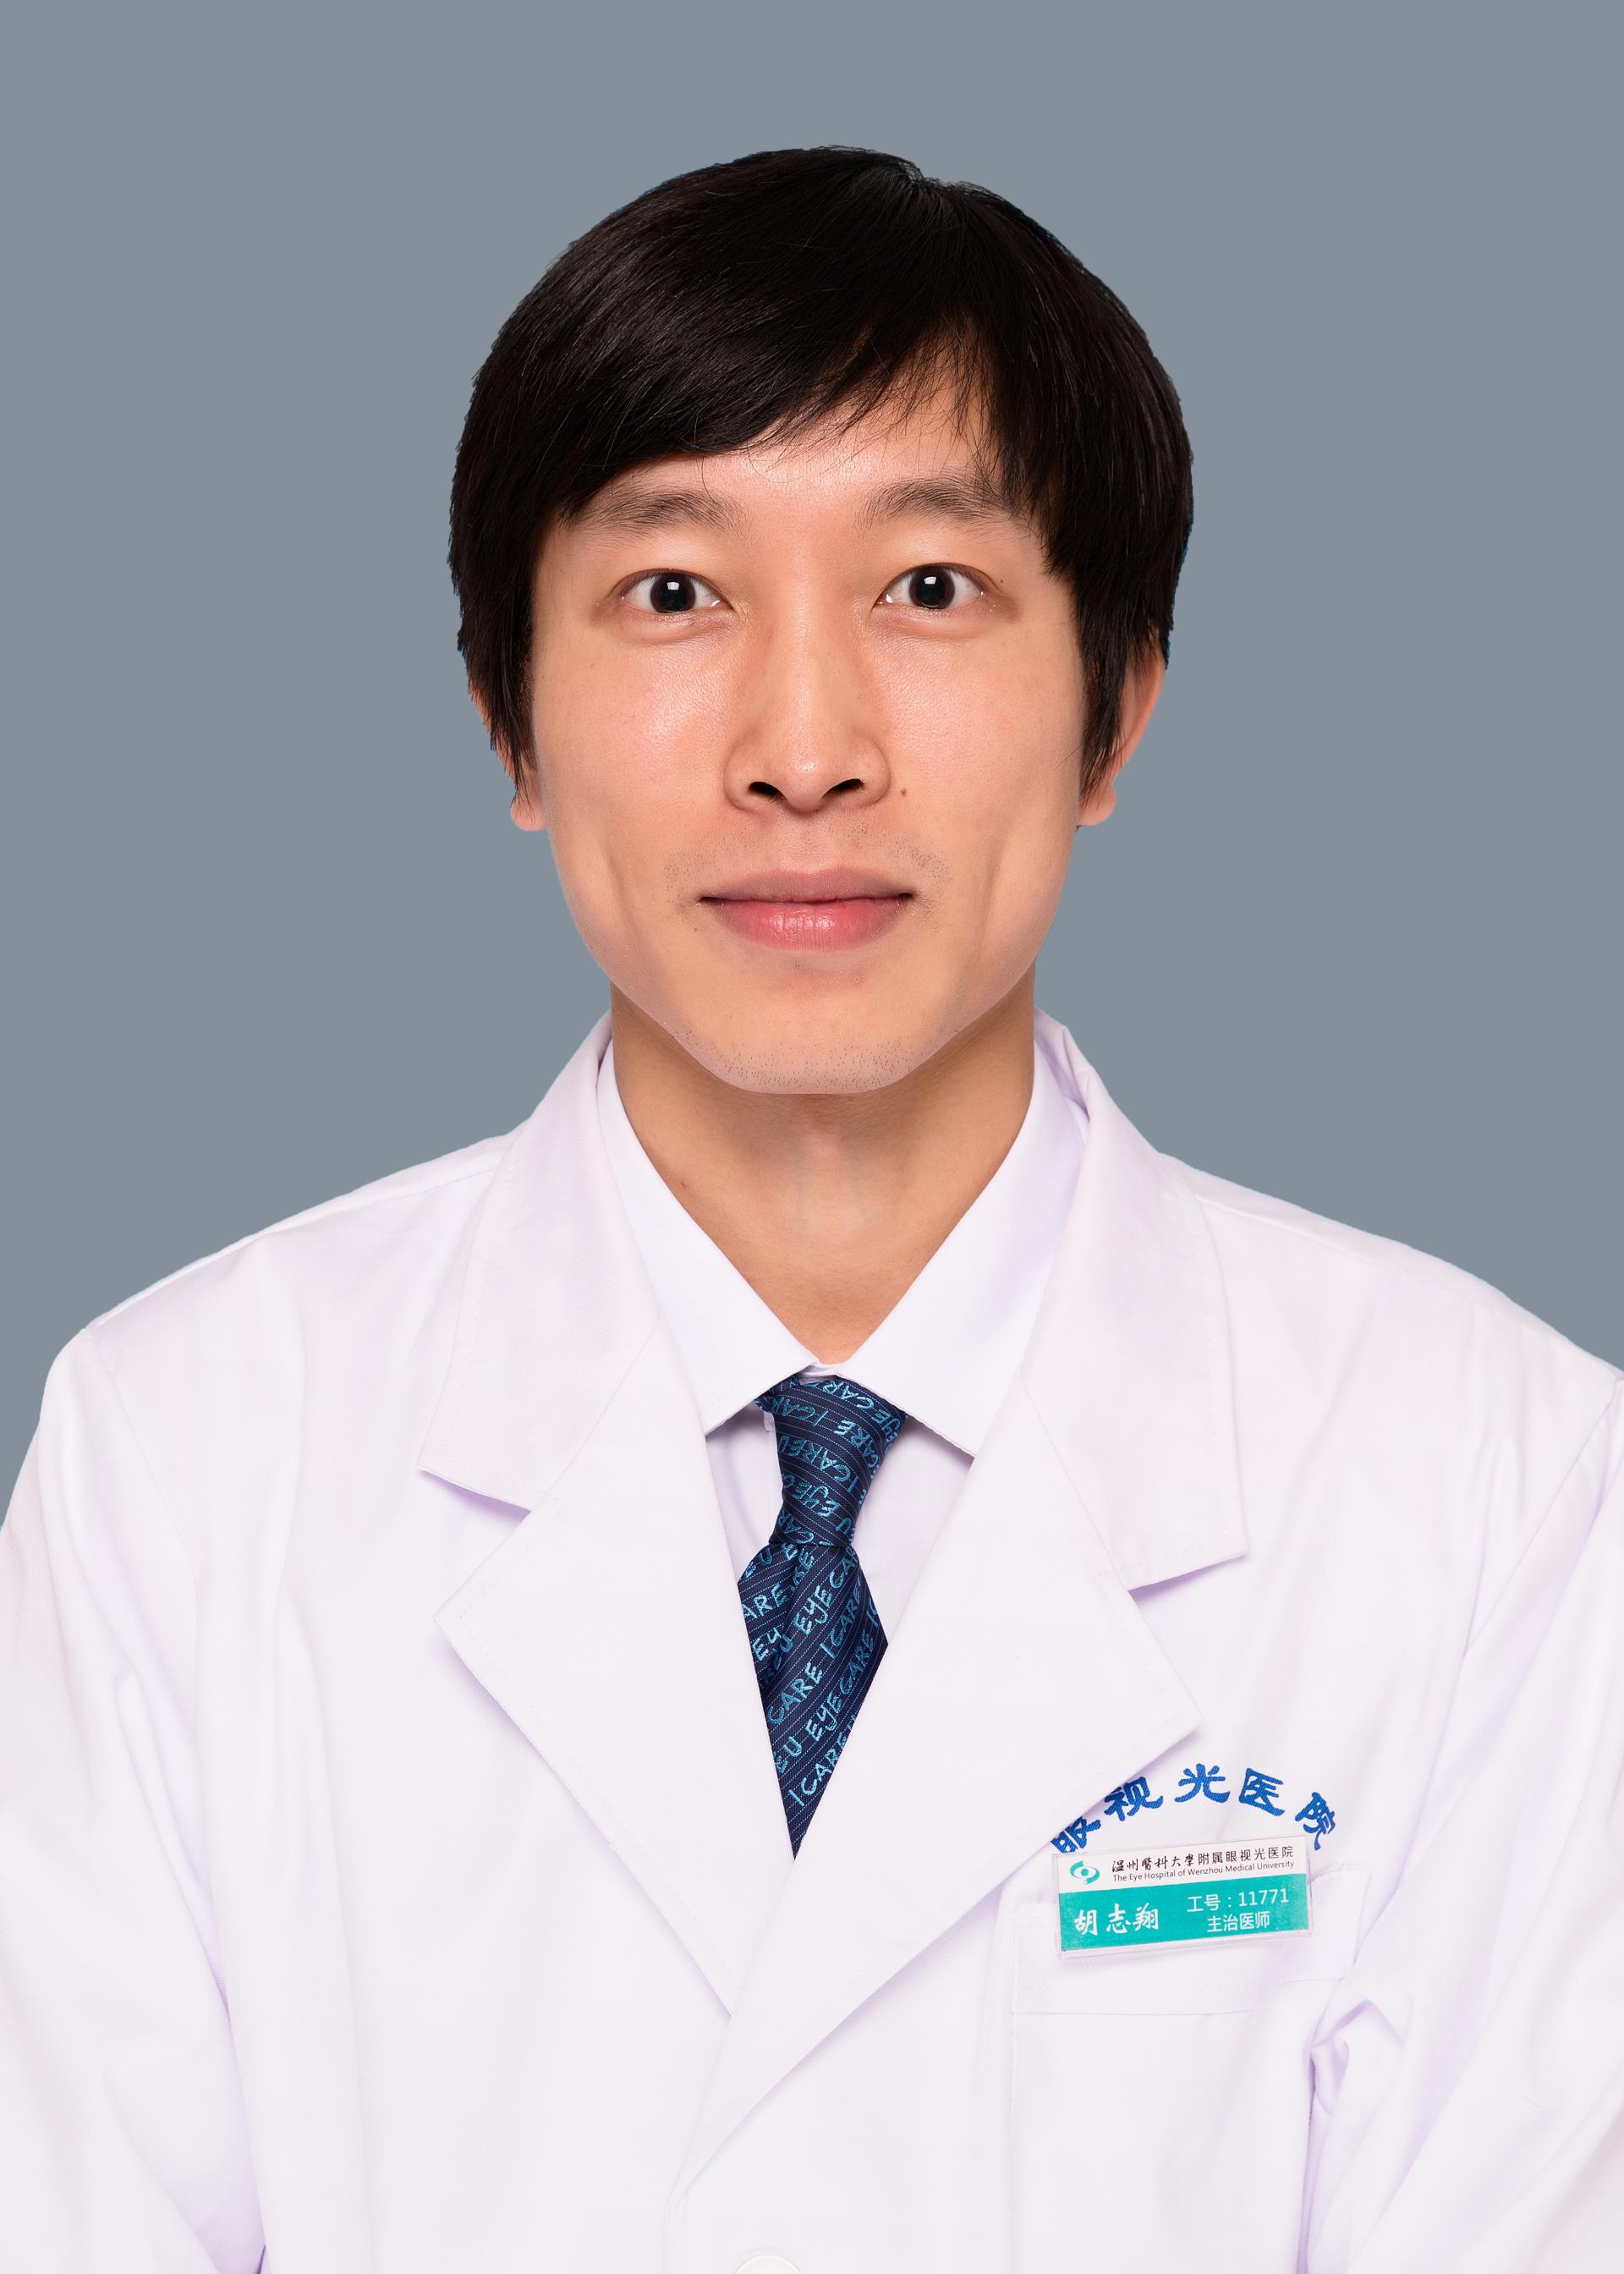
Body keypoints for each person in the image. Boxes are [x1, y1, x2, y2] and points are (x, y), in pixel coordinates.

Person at [0, 144, 1618, 2274]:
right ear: (506, 714)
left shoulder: (1495, 1480)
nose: (803, 748)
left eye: (928, 589)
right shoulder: (186, 1454)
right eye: (676, 592)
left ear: (1119, 701)